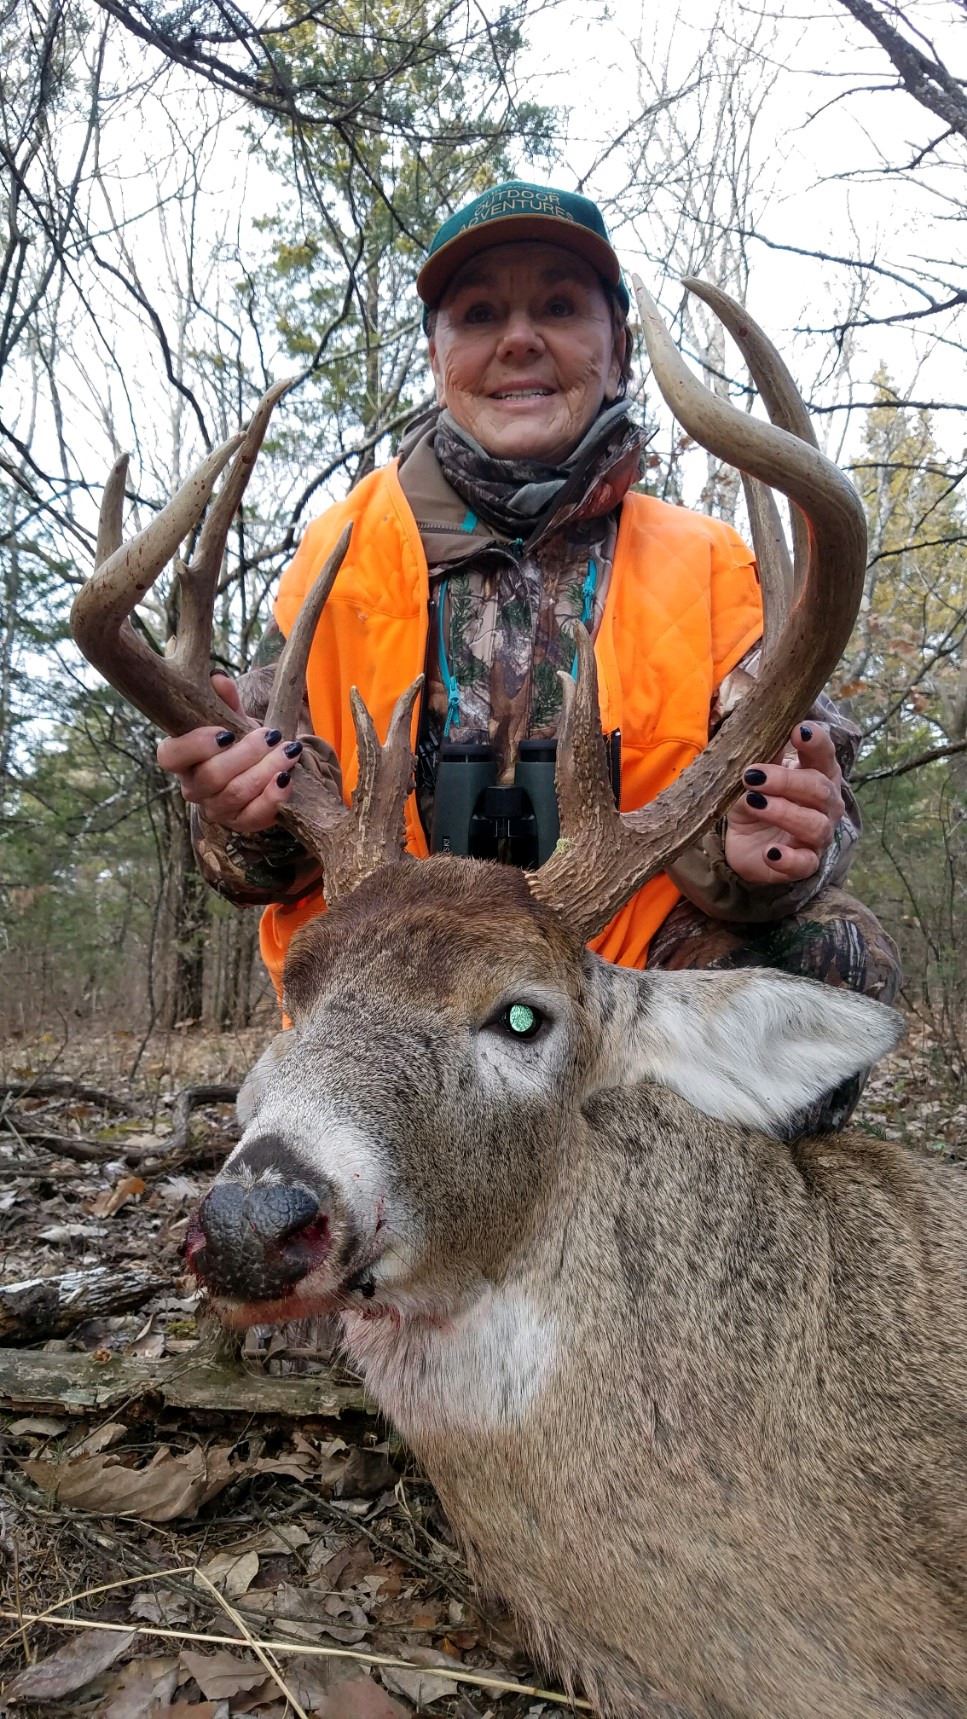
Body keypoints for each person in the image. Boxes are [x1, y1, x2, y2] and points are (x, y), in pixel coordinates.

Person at [159, 181, 899, 1129]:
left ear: (617, 348)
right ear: (437, 356)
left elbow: (810, 787)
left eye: (558, 305)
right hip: (396, 992)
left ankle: (638, 1200)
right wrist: (240, 814)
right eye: (479, 314)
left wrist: (780, 846)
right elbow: (267, 852)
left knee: (830, 955)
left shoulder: (718, 568)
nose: (518, 339)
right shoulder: (340, 560)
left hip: (615, 995)